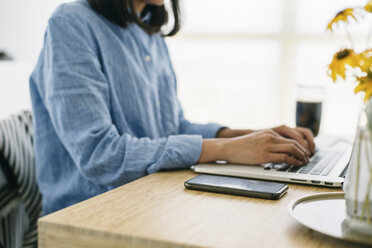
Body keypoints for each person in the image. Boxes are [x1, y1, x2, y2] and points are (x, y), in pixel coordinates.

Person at [29, 0, 315, 215]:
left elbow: (174, 127)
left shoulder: (149, 29)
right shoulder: (71, 24)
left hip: (151, 202)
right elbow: (99, 155)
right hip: (90, 216)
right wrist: (226, 149)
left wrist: (251, 137)